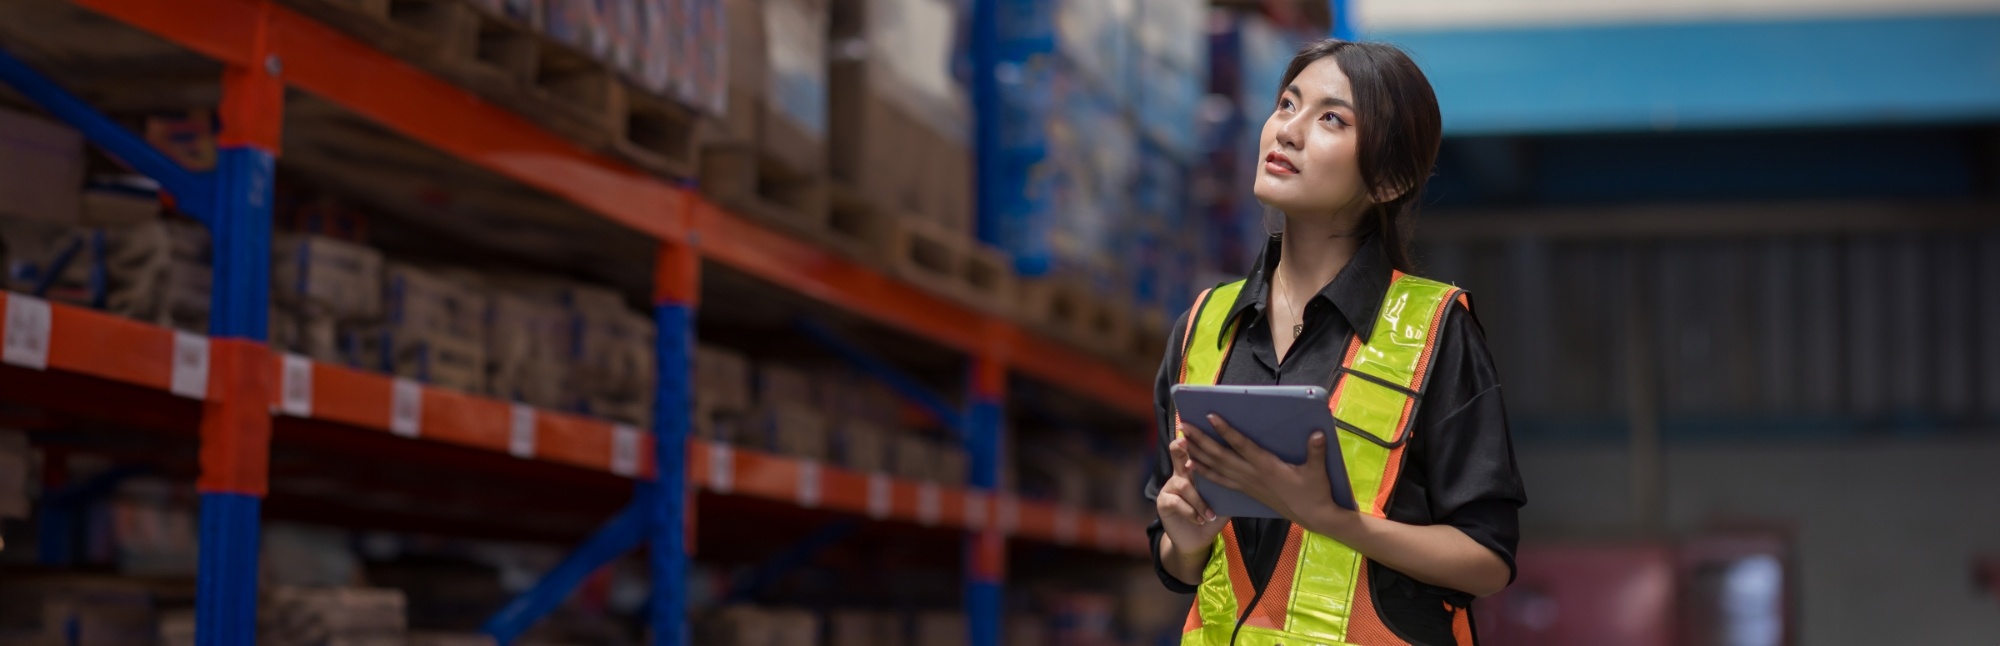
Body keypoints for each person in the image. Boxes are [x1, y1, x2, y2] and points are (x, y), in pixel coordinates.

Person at [1143, 39, 1526, 646]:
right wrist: (1185, 543)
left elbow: (1487, 560)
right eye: (1287, 104)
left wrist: (1329, 519)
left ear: (1389, 178)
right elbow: (1177, 558)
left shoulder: (1433, 330)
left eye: (1330, 119)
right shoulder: (1204, 325)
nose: (1287, 131)